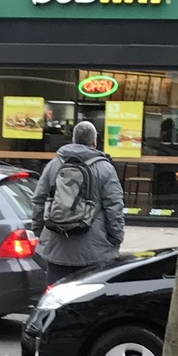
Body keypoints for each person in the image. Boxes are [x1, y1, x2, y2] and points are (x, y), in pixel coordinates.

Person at [31, 118, 126, 286]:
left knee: (57, 300)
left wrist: (40, 231)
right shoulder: (105, 169)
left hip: (57, 247)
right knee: (88, 302)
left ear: (73, 139)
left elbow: (39, 199)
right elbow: (114, 206)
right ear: (94, 142)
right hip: (94, 251)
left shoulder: (54, 165)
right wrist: (115, 238)